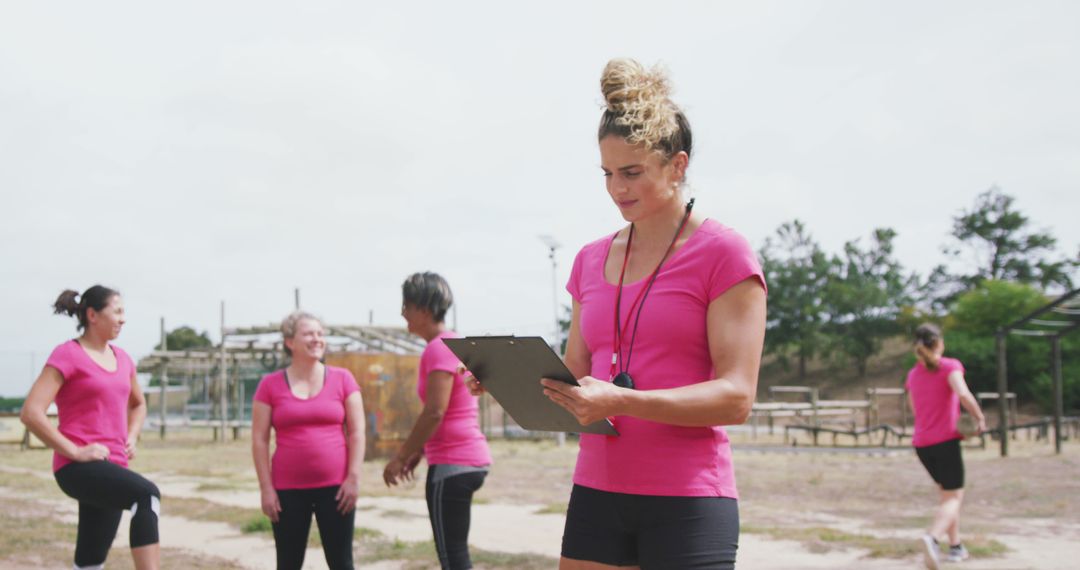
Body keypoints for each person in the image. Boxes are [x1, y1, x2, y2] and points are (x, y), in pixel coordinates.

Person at [469, 58, 767, 569]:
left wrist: (625, 401)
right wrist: (506, 378)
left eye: (632, 172)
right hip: (598, 491)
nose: (616, 188)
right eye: (607, 173)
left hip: (689, 498)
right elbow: (576, 382)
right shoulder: (588, 259)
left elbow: (736, 398)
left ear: (677, 165)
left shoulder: (726, 254)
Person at [20, 286, 161, 570]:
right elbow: (31, 412)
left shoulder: (123, 359)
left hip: (113, 465)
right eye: (117, 311)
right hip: (77, 467)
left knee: (90, 560)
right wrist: (75, 451)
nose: (123, 319)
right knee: (146, 496)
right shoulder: (68, 354)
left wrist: (132, 435)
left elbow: (138, 404)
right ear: (92, 315)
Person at [384, 272, 492, 570]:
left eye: (406, 305)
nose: (402, 313)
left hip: (452, 462)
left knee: (453, 558)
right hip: (466, 459)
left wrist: (400, 456)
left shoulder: (438, 347)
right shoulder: (454, 342)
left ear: (425, 309)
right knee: (455, 555)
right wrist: (419, 452)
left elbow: (435, 411)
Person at [252, 311, 365, 570]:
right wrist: (266, 488)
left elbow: (357, 432)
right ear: (290, 342)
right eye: (309, 334)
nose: (317, 339)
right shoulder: (269, 385)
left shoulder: (343, 379)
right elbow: (259, 440)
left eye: (320, 334)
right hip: (287, 491)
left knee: (342, 563)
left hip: (337, 489)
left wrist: (353, 478)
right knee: (288, 563)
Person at [906, 323, 987, 569]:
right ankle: (932, 538)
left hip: (922, 444)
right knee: (953, 498)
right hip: (945, 442)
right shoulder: (949, 366)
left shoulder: (912, 374)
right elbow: (963, 394)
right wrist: (979, 417)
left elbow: (914, 410)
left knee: (947, 496)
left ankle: (956, 547)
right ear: (939, 342)